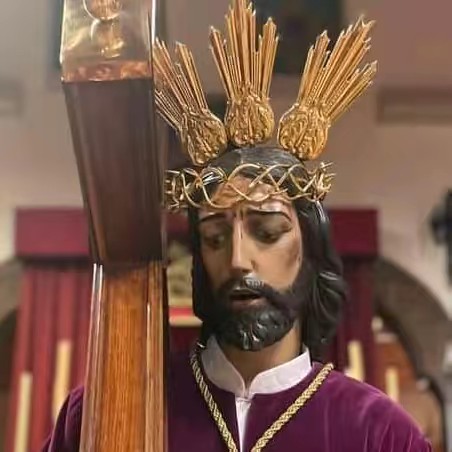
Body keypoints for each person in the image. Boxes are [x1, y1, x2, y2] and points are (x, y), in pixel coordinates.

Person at [42, 0, 432, 450]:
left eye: (267, 233)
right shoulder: (108, 410)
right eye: (214, 237)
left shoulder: (379, 433)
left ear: (312, 250)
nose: (238, 259)